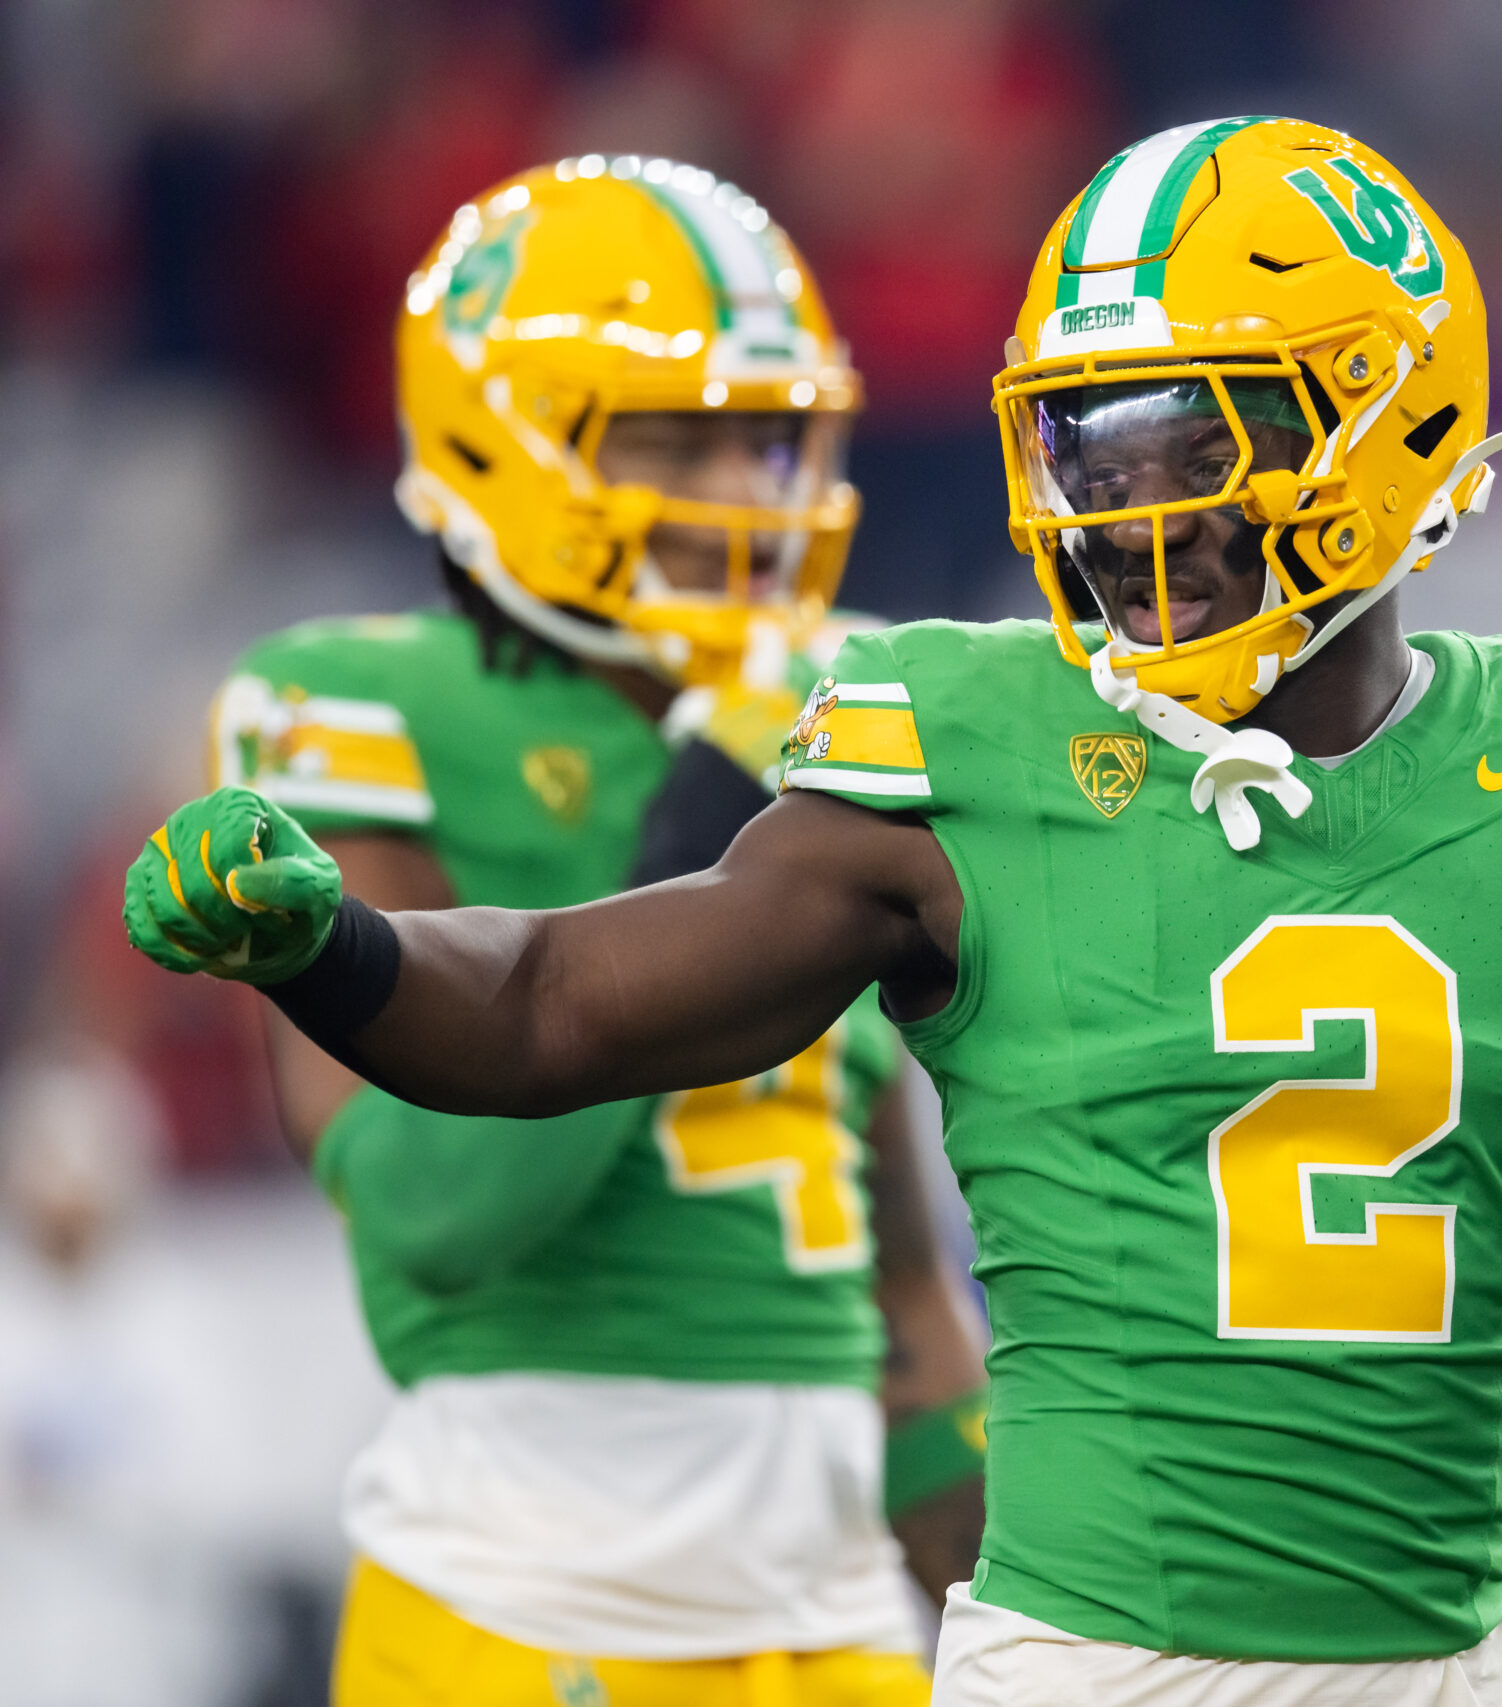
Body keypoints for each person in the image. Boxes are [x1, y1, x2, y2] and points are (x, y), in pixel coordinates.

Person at [126, 119, 1502, 1707]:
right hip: (1080, 1669)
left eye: (1189, 434)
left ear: (1385, 420)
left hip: (1446, 1666)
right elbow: (568, 999)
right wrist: (334, 946)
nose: (1127, 509)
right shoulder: (952, 741)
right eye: (1085, 438)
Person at [201, 158, 988, 1705]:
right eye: (678, 441)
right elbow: (430, 1207)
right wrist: (699, 836)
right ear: (502, 438)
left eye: (767, 440)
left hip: (831, 1605)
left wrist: (1013, 1611)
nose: (745, 501)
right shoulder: (356, 700)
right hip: (523, 1584)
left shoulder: (846, 689)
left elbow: (895, 1273)